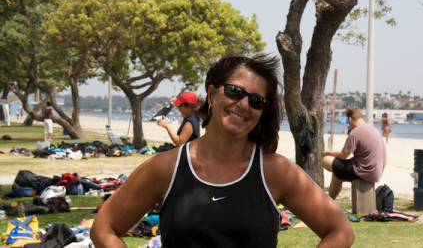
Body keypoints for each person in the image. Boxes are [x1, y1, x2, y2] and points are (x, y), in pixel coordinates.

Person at [91, 55, 354, 247]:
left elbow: (340, 231)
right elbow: (104, 228)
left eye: (256, 100)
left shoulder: (275, 170)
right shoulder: (166, 168)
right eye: (235, 91)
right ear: (212, 93)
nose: (243, 104)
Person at [322, 107, 387, 200]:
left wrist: (328, 153)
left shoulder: (355, 132)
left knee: (326, 160)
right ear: (362, 117)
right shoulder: (373, 129)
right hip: (376, 172)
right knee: (337, 174)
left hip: (364, 171)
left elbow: (343, 155)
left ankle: (328, 202)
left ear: (350, 119)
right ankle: (329, 201)